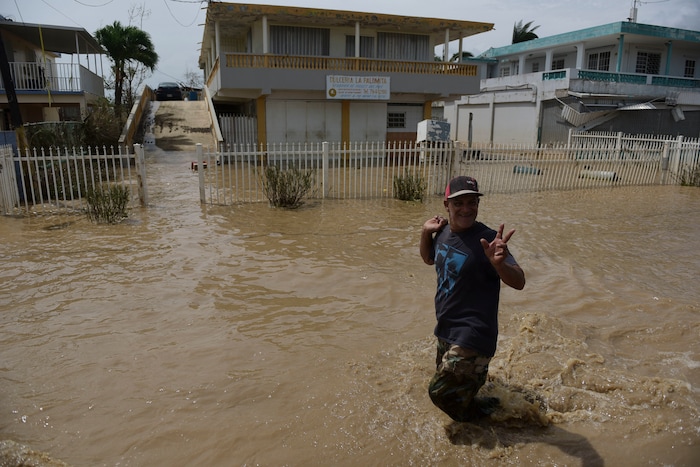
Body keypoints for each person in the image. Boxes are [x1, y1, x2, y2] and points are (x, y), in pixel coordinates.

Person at [419, 176, 526, 422]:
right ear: (447, 204)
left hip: (474, 333)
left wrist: (499, 265)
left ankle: (491, 420)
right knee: (455, 392)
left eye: (472, 202)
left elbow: (519, 281)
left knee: (440, 393)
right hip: (446, 328)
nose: (466, 209)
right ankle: (494, 410)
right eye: (459, 203)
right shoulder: (443, 231)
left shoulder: (488, 240)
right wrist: (425, 232)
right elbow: (428, 258)